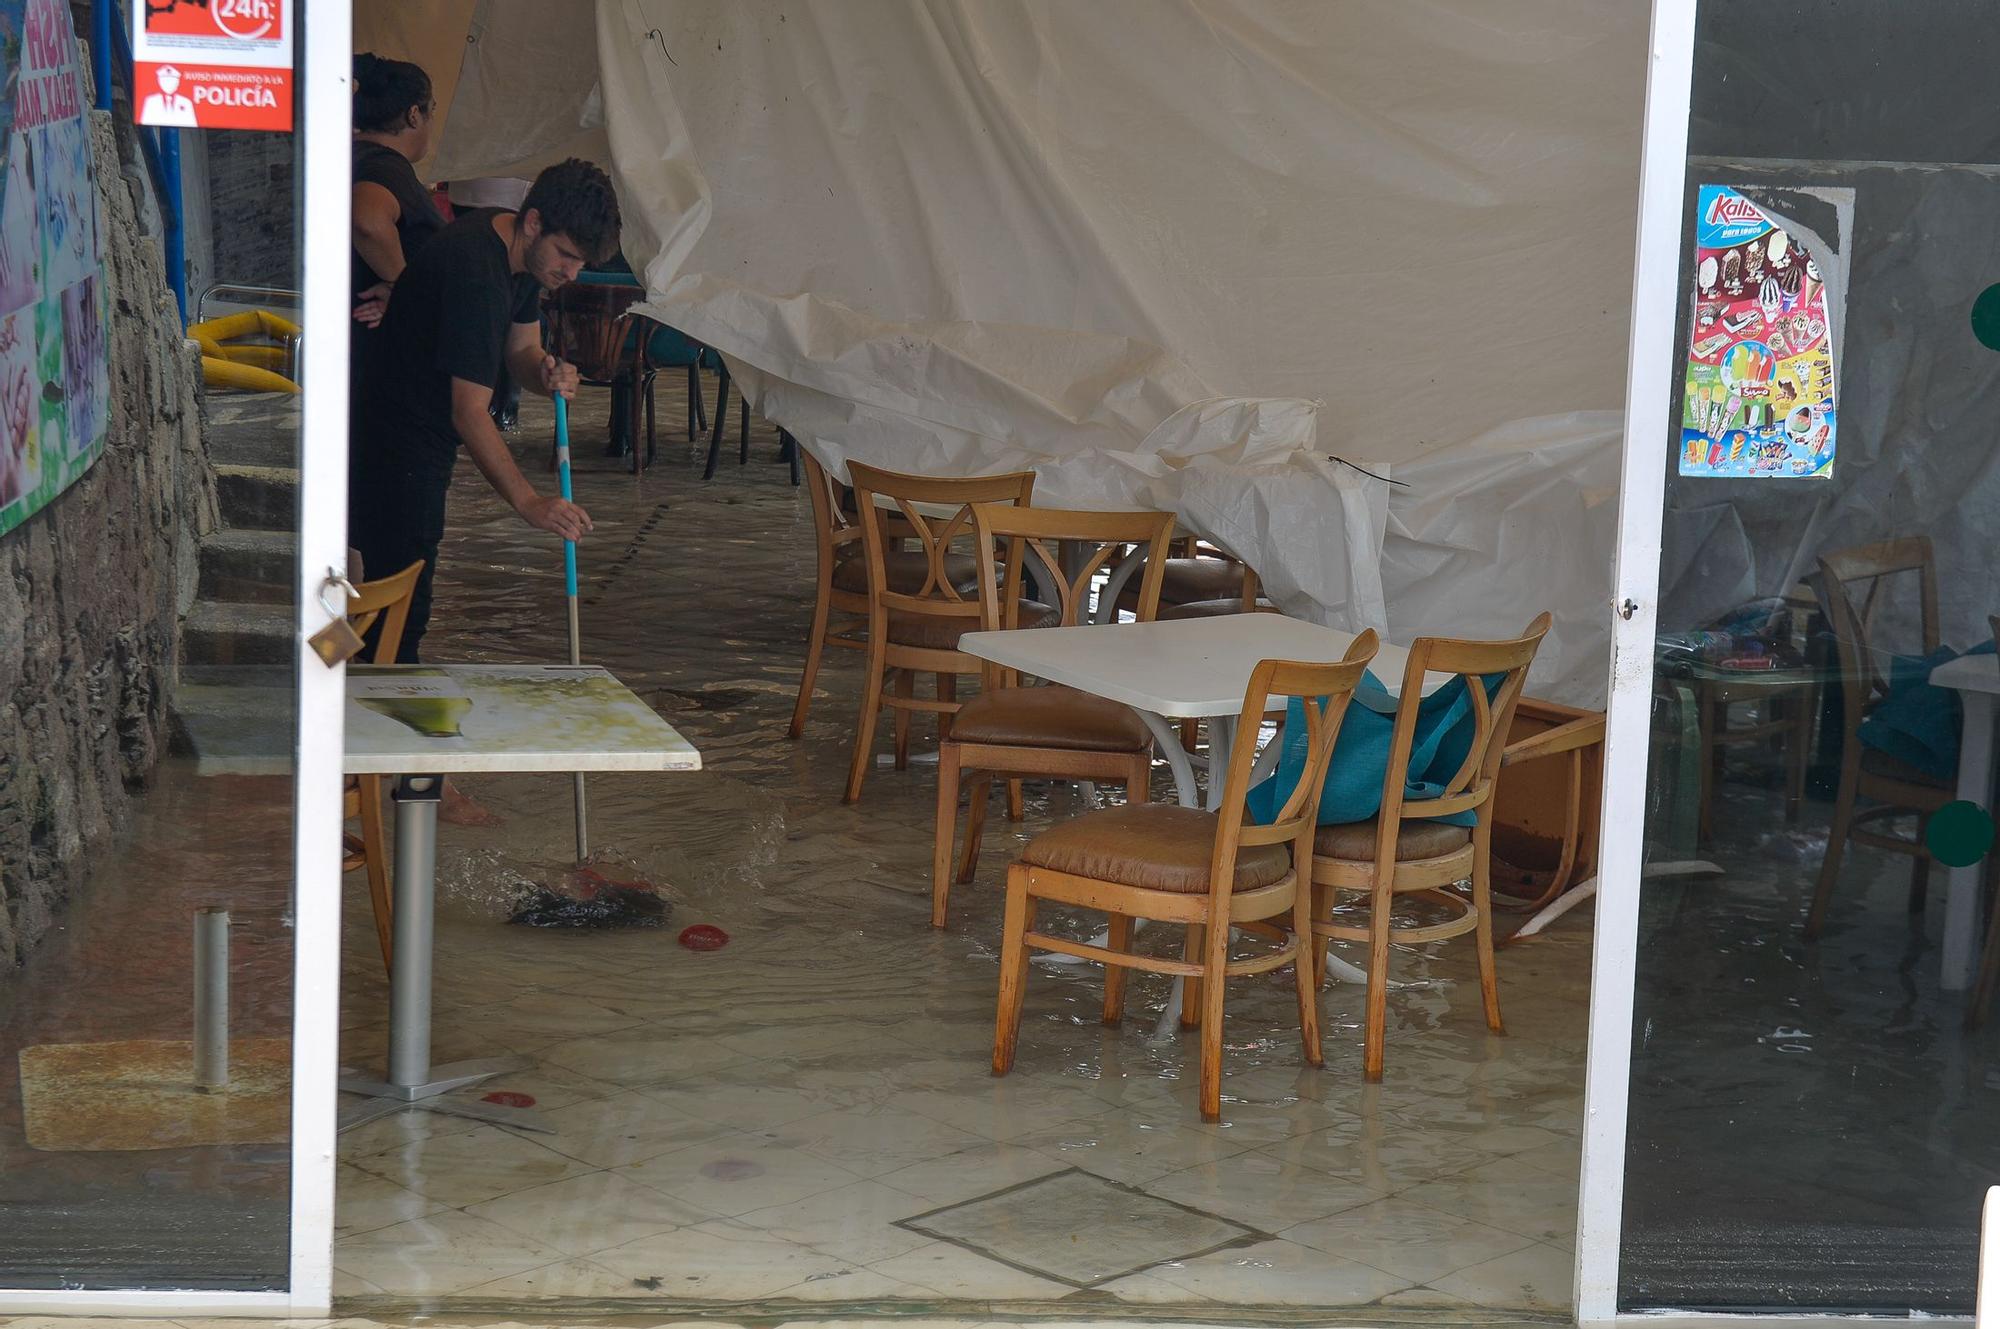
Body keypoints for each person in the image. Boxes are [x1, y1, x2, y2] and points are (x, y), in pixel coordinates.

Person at [348, 156, 617, 668]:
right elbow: (469, 411)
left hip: (412, 438)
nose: (570, 273)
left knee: (390, 603)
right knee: (401, 610)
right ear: (534, 222)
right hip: (395, 444)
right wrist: (529, 502)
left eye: (581, 263)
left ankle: (332, 681)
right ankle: (363, 718)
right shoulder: (476, 271)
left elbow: (521, 351)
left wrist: (545, 372)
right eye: (566, 256)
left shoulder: (515, 251)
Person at [349, 55, 444, 452]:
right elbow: (367, 220)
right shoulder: (383, 168)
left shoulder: (356, 157)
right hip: (376, 356)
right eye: (430, 111)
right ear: (413, 115)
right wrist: (401, 285)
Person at [447, 178, 532, 428]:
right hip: (501, 204)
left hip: (470, 193)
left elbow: (525, 348)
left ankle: (496, 408)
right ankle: (499, 410)